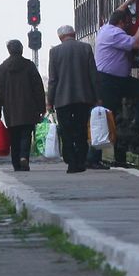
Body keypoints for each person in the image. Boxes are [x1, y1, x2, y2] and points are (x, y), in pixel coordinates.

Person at [94, 0, 139, 168]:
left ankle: (117, 155)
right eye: (126, 23)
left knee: (111, 115)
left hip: (113, 80)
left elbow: (116, 13)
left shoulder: (106, 28)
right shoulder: (114, 34)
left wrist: (128, 2)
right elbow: (134, 43)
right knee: (107, 117)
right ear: (121, 23)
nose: (127, 26)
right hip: (110, 81)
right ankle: (93, 157)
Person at [46, 24, 101, 174]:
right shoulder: (86, 48)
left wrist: (49, 101)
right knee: (81, 129)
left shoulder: (54, 52)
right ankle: (81, 161)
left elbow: (53, 80)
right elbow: (93, 75)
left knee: (66, 131)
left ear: (60, 37)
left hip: (62, 99)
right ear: (74, 34)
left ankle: (71, 162)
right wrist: (98, 97)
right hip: (84, 98)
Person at [0, 39, 45, 172]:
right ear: (21, 49)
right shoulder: (29, 66)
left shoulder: (3, 68)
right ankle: (24, 158)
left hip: (10, 110)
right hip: (29, 108)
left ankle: (16, 163)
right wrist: (41, 108)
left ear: (9, 50)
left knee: (14, 137)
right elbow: (38, 88)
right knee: (26, 135)